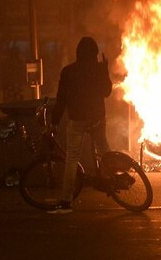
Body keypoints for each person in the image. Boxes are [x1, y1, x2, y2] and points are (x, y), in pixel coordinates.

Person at [48, 37, 113, 214]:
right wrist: (104, 70)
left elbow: (61, 99)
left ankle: (66, 201)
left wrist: (54, 122)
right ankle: (113, 179)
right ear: (94, 53)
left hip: (77, 120)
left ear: (78, 53)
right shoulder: (98, 69)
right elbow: (106, 92)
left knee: (72, 158)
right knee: (103, 147)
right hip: (97, 118)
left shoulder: (68, 71)